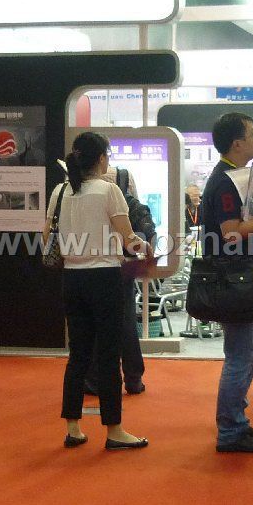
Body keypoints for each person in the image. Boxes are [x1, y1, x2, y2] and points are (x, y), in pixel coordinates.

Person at [46, 131, 149, 450]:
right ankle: (114, 429)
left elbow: (47, 237)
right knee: (108, 354)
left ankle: (73, 427)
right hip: (104, 277)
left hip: (71, 278)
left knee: (77, 355)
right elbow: (129, 238)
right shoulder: (109, 190)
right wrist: (143, 247)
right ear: (102, 159)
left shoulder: (60, 191)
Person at [199, 112, 253, 453]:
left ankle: (236, 419)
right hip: (234, 278)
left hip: (239, 276)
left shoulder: (231, 178)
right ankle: (230, 430)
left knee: (252, 354)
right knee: (240, 356)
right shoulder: (226, 182)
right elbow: (231, 232)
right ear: (237, 143)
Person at [83, 167, 149, 397]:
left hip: (92, 267)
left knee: (94, 325)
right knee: (126, 323)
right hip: (123, 266)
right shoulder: (129, 198)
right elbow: (142, 231)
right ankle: (133, 378)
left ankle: (95, 380)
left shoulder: (84, 195)